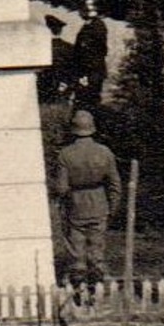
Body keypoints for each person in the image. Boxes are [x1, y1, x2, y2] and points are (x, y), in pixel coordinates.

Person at [51, 110, 122, 286]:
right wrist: (112, 208)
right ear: (92, 128)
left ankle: (79, 289)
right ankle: (97, 288)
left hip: (75, 205)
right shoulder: (104, 152)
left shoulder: (65, 154)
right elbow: (115, 184)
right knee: (97, 249)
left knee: (77, 251)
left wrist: (63, 201)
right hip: (99, 203)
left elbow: (61, 188)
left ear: (73, 129)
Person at [72, 0, 109, 107]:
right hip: (89, 70)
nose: (79, 12)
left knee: (89, 100)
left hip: (91, 71)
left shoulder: (96, 26)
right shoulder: (89, 26)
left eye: (81, 9)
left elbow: (92, 51)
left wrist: (84, 74)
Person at [43, 14, 74, 103]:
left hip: (43, 87)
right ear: (60, 30)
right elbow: (73, 69)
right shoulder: (69, 47)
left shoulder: (41, 46)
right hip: (64, 87)